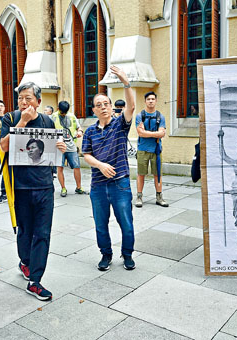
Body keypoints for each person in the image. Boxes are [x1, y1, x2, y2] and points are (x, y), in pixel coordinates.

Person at [0, 82, 66, 301]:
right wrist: (23, 121)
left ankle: (35, 281)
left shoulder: (47, 120)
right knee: (25, 231)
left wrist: (61, 147)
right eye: (20, 98)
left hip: (45, 185)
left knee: (43, 233)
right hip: (20, 186)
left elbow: (56, 144)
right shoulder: (10, 118)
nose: (24, 102)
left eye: (28, 98)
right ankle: (25, 261)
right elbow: (4, 146)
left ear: (38, 101)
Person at [81, 65, 136, 271]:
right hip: (98, 185)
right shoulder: (90, 132)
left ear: (112, 107)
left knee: (126, 222)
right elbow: (86, 154)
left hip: (119, 183)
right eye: (99, 105)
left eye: (106, 103)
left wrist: (125, 82)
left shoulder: (120, 125)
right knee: (100, 224)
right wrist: (100, 165)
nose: (103, 107)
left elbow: (131, 106)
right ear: (94, 110)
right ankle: (106, 254)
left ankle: (128, 254)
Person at [135, 91, 168, 208]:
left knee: (157, 174)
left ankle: (159, 197)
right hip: (142, 149)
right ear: (145, 101)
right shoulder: (140, 116)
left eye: (153, 99)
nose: (150, 101)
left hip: (156, 150)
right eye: (148, 99)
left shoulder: (160, 116)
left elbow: (162, 133)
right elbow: (140, 133)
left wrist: (147, 133)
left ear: (156, 101)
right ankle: (139, 196)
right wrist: (156, 133)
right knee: (141, 174)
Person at [51, 101, 87, 197]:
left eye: (65, 112)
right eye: (62, 112)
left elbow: (79, 128)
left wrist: (80, 132)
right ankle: (63, 188)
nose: (63, 114)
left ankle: (79, 187)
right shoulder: (52, 117)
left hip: (71, 146)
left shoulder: (71, 116)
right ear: (58, 109)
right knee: (60, 167)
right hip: (58, 147)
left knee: (76, 166)